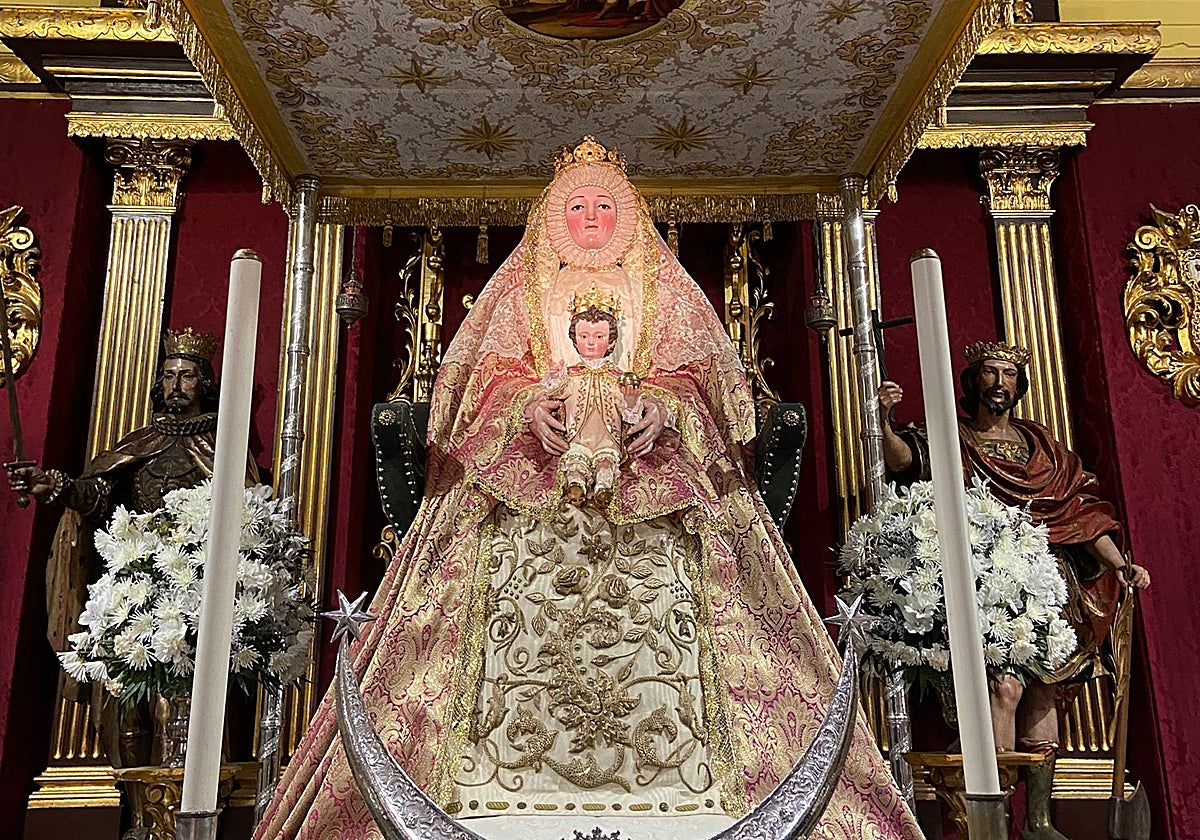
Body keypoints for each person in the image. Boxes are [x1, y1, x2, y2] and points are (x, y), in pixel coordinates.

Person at [254, 137, 921, 840]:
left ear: (630, 216)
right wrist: (524, 405)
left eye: (606, 205)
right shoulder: (522, 291)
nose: (593, 218)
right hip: (530, 488)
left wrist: (664, 407)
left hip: (655, 479)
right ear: (552, 218)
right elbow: (477, 382)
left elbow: (711, 388)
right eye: (577, 206)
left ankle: (702, 785)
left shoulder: (665, 292)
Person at [878, 340, 1150, 840]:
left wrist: (1123, 565)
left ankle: (1039, 820)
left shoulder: (1041, 446)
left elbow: (1082, 514)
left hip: (1050, 583)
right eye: (990, 373)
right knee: (1005, 689)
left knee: (1045, 693)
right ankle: (994, 818)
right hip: (988, 584)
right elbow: (904, 462)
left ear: (1019, 386)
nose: (999, 382)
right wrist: (882, 422)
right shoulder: (954, 437)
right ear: (973, 382)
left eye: (1008, 374)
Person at [4, 327, 258, 765]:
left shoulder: (222, 445)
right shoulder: (141, 443)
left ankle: (184, 805)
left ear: (206, 384)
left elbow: (246, 505)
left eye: (187, 376)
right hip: (134, 585)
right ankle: (139, 813)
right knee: (124, 707)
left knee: (177, 708)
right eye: (169, 375)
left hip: (193, 587)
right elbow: (98, 496)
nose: (176, 385)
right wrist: (56, 485)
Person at [544, 283, 644, 506]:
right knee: (575, 460)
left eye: (599, 337)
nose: (591, 342)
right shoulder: (571, 375)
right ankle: (576, 485)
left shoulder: (618, 377)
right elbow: (554, 392)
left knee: (607, 460)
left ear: (611, 342)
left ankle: (603, 487)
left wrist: (630, 401)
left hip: (607, 437)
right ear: (574, 339)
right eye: (584, 336)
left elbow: (629, 415)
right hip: (577, 437)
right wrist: (553, 376)